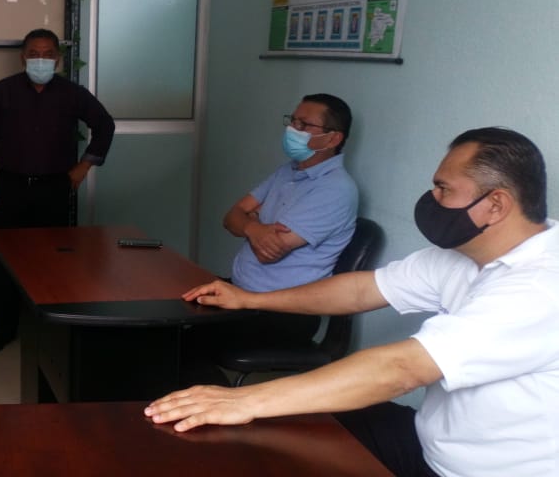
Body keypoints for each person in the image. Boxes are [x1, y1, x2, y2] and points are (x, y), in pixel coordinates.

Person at [146, 127, 559, 477]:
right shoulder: (463, 256)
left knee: (260, 414)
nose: (432, 198)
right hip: (429, 444)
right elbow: (360, 290)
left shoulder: (540, 286)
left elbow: (402, 369)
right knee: (279, 428)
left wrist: (243, 399)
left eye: (443, 188)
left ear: (496, 205)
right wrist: (250, 298)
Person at [0, 29, 115, 354]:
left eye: (48, 54)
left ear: (58, 59)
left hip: (55, 187)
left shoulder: (72, 93)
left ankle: (54, 330)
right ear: (23, 57)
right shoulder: (3, 90)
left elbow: (105, 125)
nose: (41, 59)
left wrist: (84, 166)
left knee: (56, 261)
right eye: (34, 54)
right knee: (7, 260)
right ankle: (2, 329)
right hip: (10, 186)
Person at [187, 94, 358, 350]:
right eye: (293, 121)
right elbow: (231, 217)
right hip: (241, 293)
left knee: (181, 340)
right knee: (172, 312)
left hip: (281, 312)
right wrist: (253, 226)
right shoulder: (287, 171)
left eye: (304, 124)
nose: (293, 129)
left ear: (333, 138)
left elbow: (269, 252)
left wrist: (252, 217)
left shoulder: (335, 189)